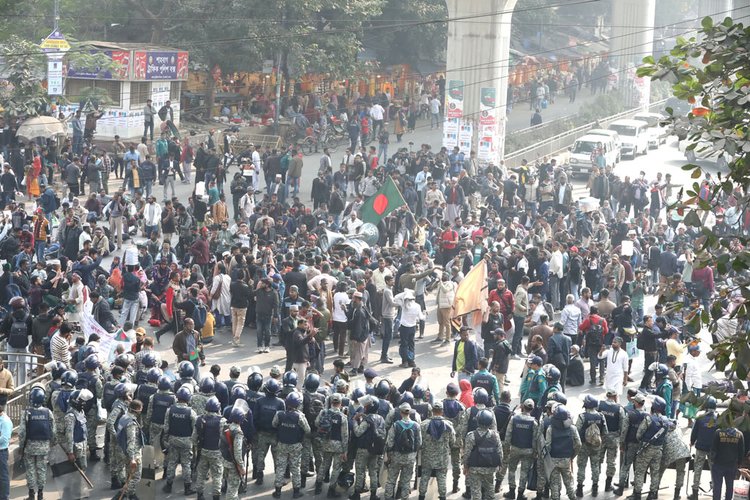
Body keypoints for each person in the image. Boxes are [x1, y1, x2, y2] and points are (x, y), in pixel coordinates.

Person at [18, 385, 54, 500]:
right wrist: (52, 444)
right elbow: (53, 431)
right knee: (42, 469)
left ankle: (31, 494)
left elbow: (22, 433)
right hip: (44, 448)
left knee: (30, 470)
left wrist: (21, 447)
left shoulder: (26, 413)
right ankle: (41, 494)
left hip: (29, 447)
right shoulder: (48, 412)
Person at [272, 392, 310, 499]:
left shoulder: (279, 414)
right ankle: (296, 492)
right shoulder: (300, 417)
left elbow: (274, 424)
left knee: (280, 467)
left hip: (282, 444)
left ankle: (278, 492)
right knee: (295, 468)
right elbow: (308, 430)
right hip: (295, 446)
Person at [631, 396, 669, 500]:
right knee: (655, 472)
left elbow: (639, 434)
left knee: (640, 471)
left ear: (654, 407)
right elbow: (665, 436)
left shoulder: (649, 419)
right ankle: (653, 494)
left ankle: (637, 494)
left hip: (646, 449)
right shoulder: (666, 421)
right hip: (658, 450)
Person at [163, 386, 198, 495]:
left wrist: (166, 439)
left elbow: (166, 427)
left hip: (173, 440)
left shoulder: (170, 410)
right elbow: (194, 429)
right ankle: (187, 488)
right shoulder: (191, 412)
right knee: (186, 464)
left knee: (172, 462)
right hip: (187, 441)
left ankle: (168, 485)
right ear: (188, 398)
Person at [384, 403, 422, 500]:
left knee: (391, 480)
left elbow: (390, 442)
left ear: (400, 412)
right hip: (410, 458)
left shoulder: (395, 425)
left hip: (396, 456)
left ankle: (388, 497)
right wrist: (414, 454)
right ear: (410, 413)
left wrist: (389, 454)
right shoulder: (416, 426)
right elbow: (419, 443)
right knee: (406, 481)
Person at [315, 391, 348, 498]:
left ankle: (318, 486)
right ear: (340, 403)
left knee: (324, 465)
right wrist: (345, 451)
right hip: (338, 446)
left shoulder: (323, 412)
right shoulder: (342, 417)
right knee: (336, 468)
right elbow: (345, 435)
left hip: (325, 443)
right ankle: (331, 490)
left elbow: (317, 423)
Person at [614, 392, 647, 496]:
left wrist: (621, 443)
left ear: (637, 403)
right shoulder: (647, 416)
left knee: (625, 466)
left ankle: (620, 489)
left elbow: (624, 431)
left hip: (631, 444)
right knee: (638, 468)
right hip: (641, 446)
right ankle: (636, 491)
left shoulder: (630, 415)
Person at [465, 409, 503, 500]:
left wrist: (466, 466)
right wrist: (500, 464)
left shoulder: (471, 435)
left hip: (475, 468)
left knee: (476, 490)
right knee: (490, 487)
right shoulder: (495, 435)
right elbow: (500, 452)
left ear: (477, 421)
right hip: (490, 467)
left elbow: (467, 453)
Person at [546, 405, 581, 500]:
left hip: (553, 460)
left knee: (554, 484)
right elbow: (578, 444)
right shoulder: (572, 429)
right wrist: (572, 456)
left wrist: (548, 460)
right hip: (566, 460)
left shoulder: (550, 429)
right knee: (569, 483)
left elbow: (548, 446)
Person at [504, 399, 537, 500]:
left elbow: (508, 434)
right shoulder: (534, 422)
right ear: (532, 409)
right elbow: (535, 439)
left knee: (512, 470)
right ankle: (520, 494)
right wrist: (535, 452)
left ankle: (512, 491)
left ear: (522, 406)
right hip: (528, 451)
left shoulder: (514, 419)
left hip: (514, 448)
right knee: (524, 472)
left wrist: (506, 448)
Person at [193, 396, 225, 500]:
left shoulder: (199, 419)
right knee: (217, 476)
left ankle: (200, 495)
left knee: (201, 474)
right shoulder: (222, 421)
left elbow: (193, 437)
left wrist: (197, 448)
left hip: (203, 451)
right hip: (216, 453)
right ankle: (216, 496)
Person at [689, 396, 719, 500]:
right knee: (714, 470)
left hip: (700, 447)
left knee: (697, 469)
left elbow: (694, 432)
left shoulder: (700, 417)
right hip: (713, 449)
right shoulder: (718, 418)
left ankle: (695, 492)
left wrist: (692, 441)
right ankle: (716, 492)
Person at [710, 423, 745, 500]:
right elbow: (741, 451)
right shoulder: (739, 435)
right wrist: (739, 464)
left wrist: (712, 460)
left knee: (717, 487)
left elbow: (713, 449)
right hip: (732, 465)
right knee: (730, 486)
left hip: (718, 464)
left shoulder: (718, 432)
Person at [547, 322, 572, 392]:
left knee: (554, 381)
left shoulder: (552, 339)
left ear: (556, 329)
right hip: (565, 362)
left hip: (555, 363)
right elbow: (569, 351)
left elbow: (550, 353)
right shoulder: (568, 339)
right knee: (562, 381)